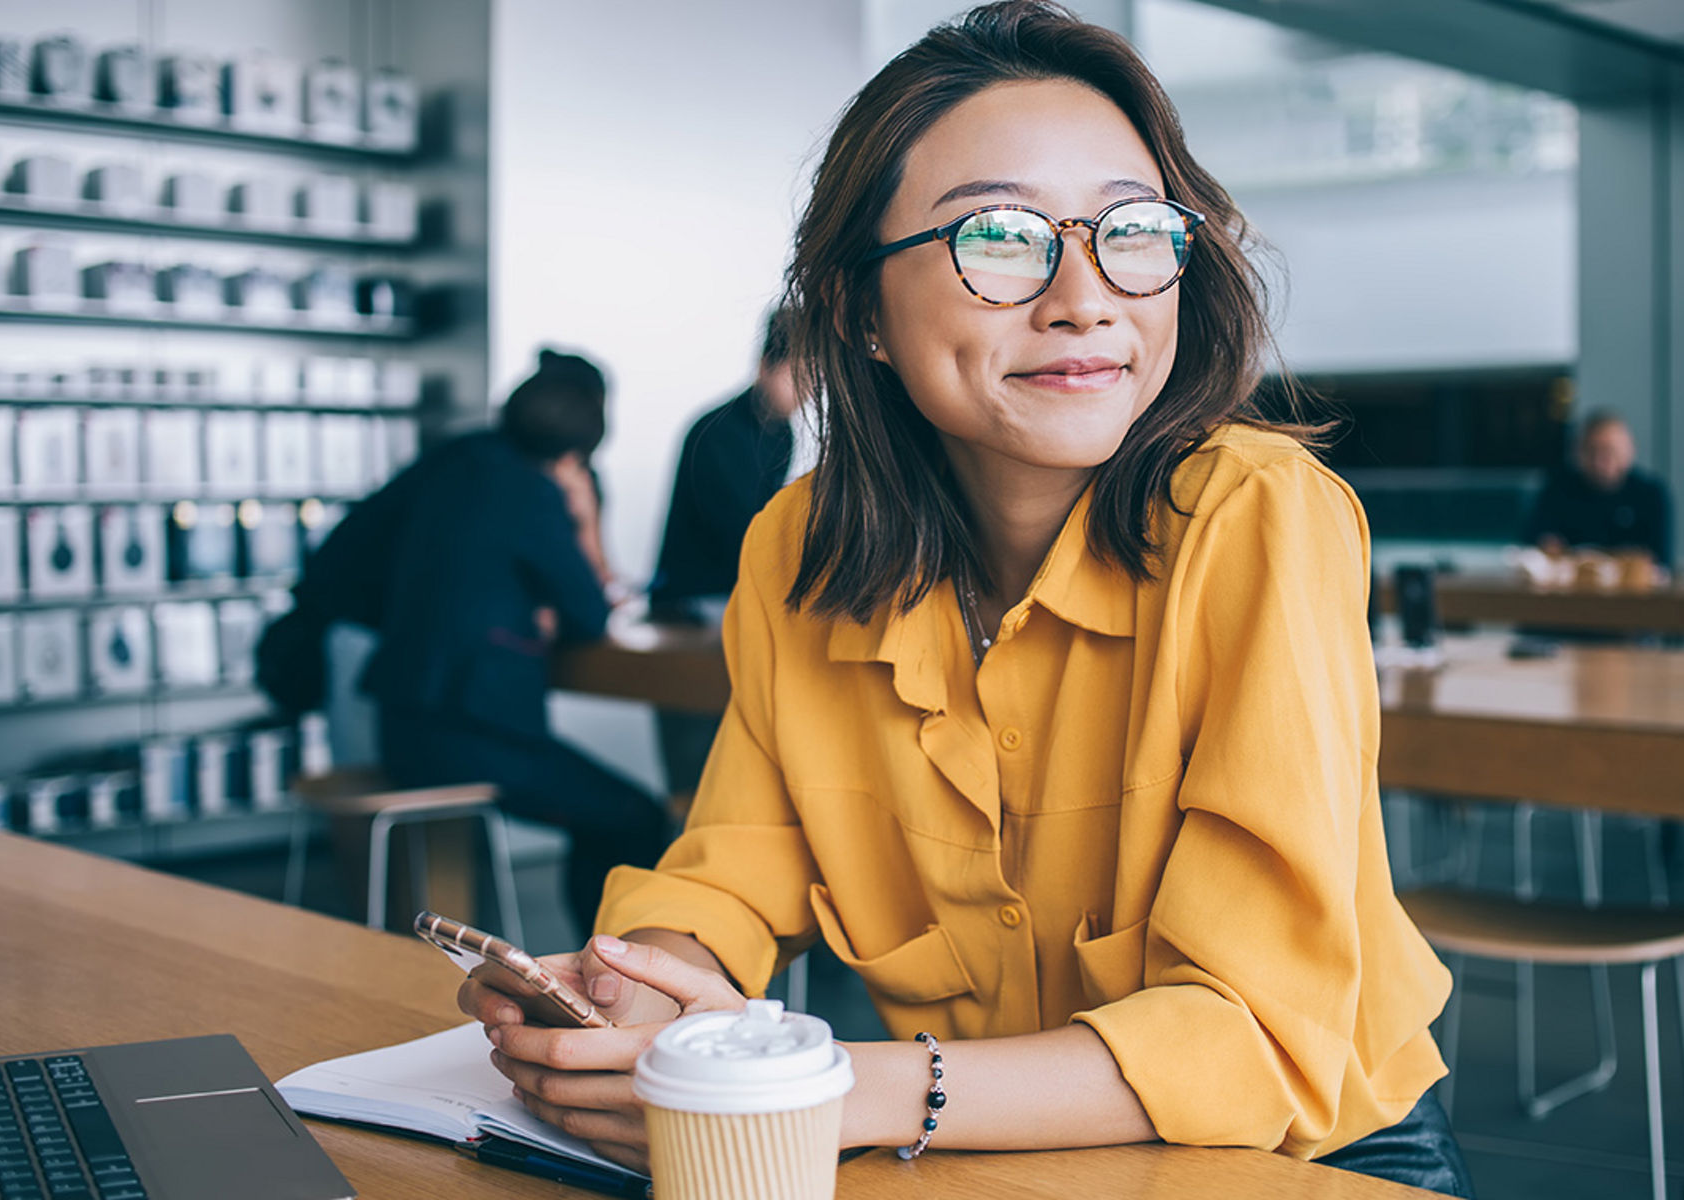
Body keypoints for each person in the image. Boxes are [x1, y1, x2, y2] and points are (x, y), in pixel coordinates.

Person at [457, 5, 1469, 1195]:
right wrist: (636, 985)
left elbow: (1250, 1033)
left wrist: (834, 1088)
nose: (1086, 298)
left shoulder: (1259, 519)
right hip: (980, 1147)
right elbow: (732, 861)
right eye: (996, 237)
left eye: (1131, 231)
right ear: (854, 311)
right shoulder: (798, 547)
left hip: (1305, 1158)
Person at [354, 350, 669, 934]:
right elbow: (589, 617)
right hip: (471, 738)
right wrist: (586, 520)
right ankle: (609, 978)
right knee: (633, 816)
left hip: (398, 720)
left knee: (616, 811)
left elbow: (345, 555)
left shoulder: (450, 460)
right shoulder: (535, 493)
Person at [649, 306, 809, 803]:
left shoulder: (780, 433)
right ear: (765, 365)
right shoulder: (716, 432)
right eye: (799, 377)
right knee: (698, 782)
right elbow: (747, 537)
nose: (807, 393)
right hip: (692, 612)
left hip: (732, 607)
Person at [1523, 409, 1673, 566]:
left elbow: (1659, 561)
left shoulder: (1651, 494)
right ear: (1578, 451)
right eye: (1591, 451)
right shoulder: (1555, 490)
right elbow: (1534, 548)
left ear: (1630, 450)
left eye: (1610, 451)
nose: (1600, 461)